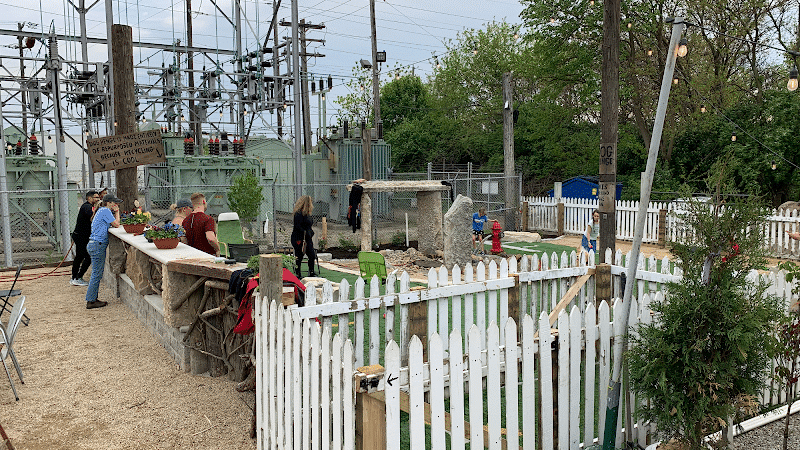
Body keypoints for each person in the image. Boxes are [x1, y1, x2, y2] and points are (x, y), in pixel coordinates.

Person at [85, 193, 121, 309]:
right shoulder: (105, 211)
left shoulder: (101, 211)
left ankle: (92, 299)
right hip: (97, 245)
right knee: (96, 274)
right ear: (109, 203)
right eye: (114, 202)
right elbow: (117, 224)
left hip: (94, 244)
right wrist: (117, 212)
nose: (115, 205)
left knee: (96, 273)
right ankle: (91, 300)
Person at [70, 190, 99, 286]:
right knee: (85, 257)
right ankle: (77, 277)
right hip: (81, 236)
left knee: (80, 257)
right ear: (89, 198)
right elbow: (94, 217)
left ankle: (76, 277)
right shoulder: (87, 207)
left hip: (82, 236)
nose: (98, 199)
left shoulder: (89, 207)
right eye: (96, 197)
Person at [291, 195, 316, 278]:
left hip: (307, 238)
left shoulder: (307, 214)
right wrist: (306, 232)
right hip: (299, 237)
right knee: (299, 255)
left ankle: (311, 272)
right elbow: (298, 226)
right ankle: (298, 273)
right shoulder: (298, 214)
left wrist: (310, 233)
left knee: (311, 254)